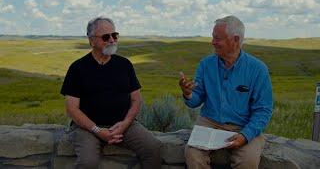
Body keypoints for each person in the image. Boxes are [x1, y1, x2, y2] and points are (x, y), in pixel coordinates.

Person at [61, 16, 162, 169]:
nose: (112, 40)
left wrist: (125, 123)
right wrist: (97, 130)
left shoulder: (124, 65)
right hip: (87, 128)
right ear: (91, 40)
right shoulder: (78, 68)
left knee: (153, 148)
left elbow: (136, 100)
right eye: (106, 37)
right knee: (88, 163)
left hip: (123, 124)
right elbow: (72, 108)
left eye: (114, 35)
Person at [179, 15, 273, 169]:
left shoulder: (258, 69)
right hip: (210, 122)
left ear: (235, 39)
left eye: (217, 38)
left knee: (247, 162)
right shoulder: (205, 64)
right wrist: (188, 93)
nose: (212, 42)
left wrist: (245, 135)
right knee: (193, 154)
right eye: (212, 37)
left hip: (244, 124)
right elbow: (197, 100)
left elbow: (263, 110)